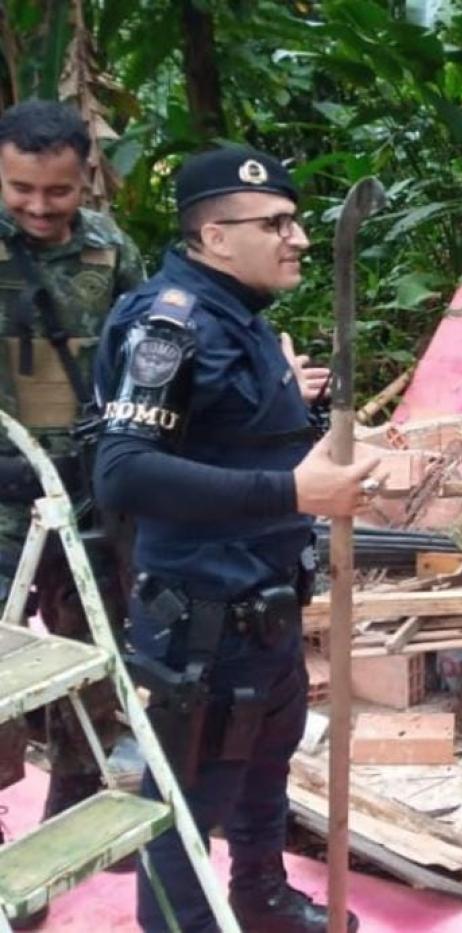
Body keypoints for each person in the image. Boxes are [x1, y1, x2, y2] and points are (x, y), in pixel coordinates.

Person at [92, 146, 379, 932]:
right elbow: (121, 473)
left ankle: (262, 900)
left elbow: (232, 433)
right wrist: (295, 490)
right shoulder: (171, 325)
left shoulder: (239, 317)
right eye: (277, 223)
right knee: (187, 809)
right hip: (202, 623)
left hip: (265, 607)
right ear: (216, 237)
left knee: (263, 773)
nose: (300, 239)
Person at [0, 98, 145, 909]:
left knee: (94, 645)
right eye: (22, 188)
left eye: (57, 191)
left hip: (86, 496)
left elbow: (146, 350)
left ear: (85, 175)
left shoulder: (110, 249)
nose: (40, 207)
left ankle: (79, 794)